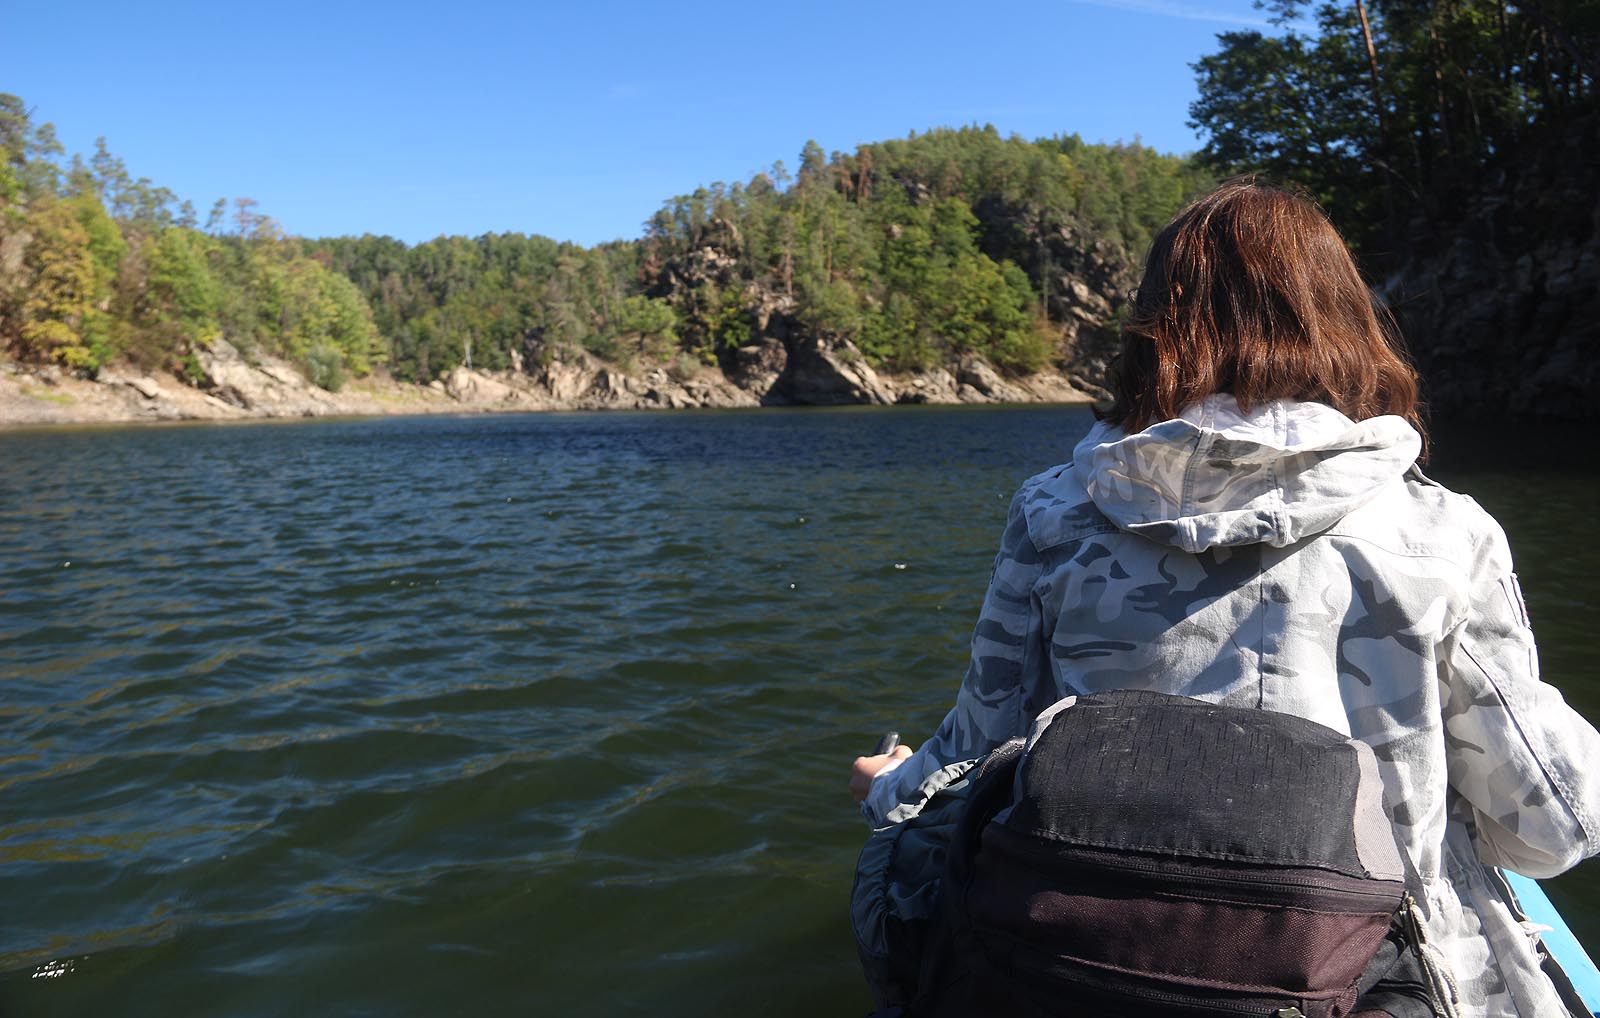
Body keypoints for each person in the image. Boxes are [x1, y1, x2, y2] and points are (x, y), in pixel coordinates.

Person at [849, 178, 1600, 1018]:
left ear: (1153, 332)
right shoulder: (1443, 533)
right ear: (1344, 323)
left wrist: (888, 786)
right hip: (1365, 983)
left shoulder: (1054, 513)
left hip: (1095, 972)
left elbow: (975, 750)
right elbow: (1552, 828)